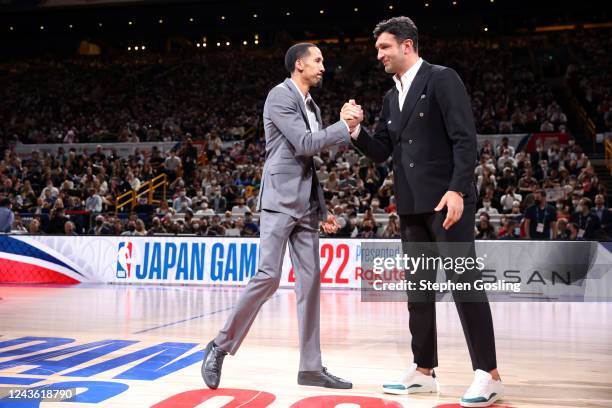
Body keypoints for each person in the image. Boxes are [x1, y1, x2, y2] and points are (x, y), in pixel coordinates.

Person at [348, 16, 503, 407]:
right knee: (418, 291)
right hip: (411, 205)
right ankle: (423, 370)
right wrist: (356, 132)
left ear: (407, 45)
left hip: (446, 202)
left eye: (384, 47)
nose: (378, 55)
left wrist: (457, 189)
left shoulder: (442, 78)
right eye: (378, 48)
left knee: (464, 286)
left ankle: (489, 373)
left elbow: (465, 139)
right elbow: (383, 150)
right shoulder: (389, 97)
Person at [202, 43, 358, 391]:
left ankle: (310, 368)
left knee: (311, 283)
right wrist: (343, 126)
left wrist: (322, 207)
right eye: (317, 60)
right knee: (269, 277)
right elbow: (304, 143)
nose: (323, 65)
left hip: (306, 205)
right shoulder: (279, 95)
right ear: (299, 64)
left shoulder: (312, 104)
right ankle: (219, 346)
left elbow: (310, 162)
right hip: (278, 200)